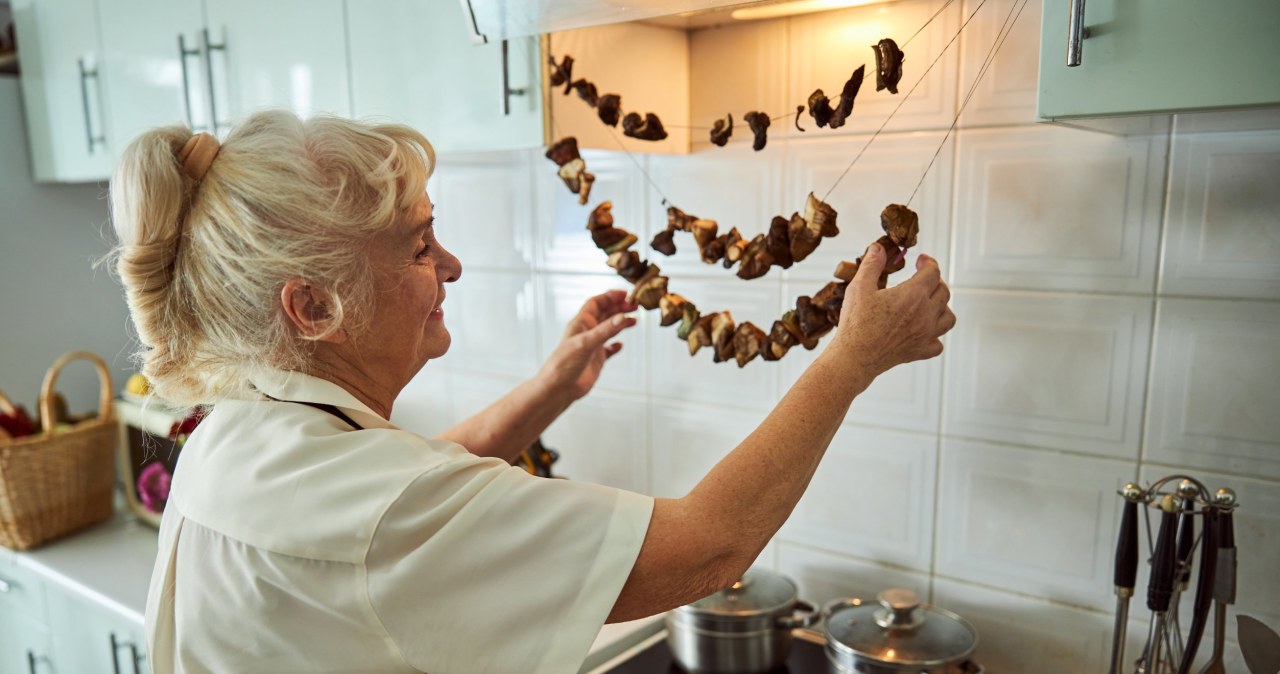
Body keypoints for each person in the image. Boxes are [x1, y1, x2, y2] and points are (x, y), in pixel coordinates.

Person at [109, 110, 954, 674]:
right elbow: (708, 548)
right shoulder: (371, 506)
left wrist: (551, 388)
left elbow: (409, 490)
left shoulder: (235, 435)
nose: (452, 267)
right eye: (416, 246)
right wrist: (852, 360)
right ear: (314, 307)